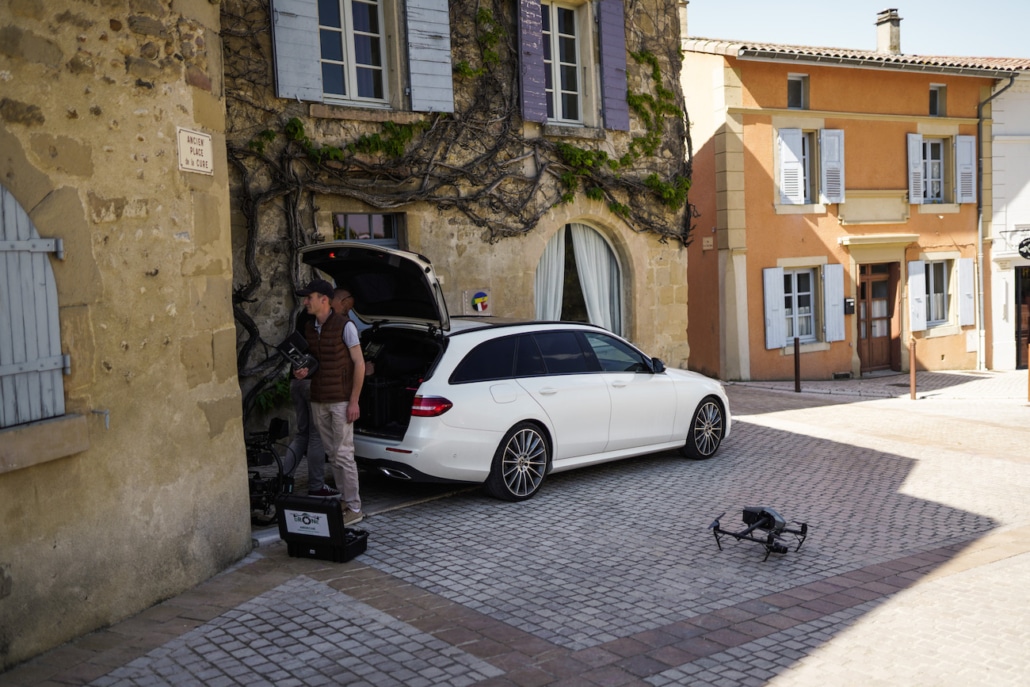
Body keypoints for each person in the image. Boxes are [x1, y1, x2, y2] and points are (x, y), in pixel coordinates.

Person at [294, 279, 366, 525]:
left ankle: (355, 507)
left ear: (324, 299)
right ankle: (344, 501)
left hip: (341, 401)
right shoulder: (309, 327)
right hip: (318, 399)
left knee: (344, 454)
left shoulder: (345, 326)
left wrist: (354, 401)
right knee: (333, 455)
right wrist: (303, 372)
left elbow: (359, 363)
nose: (305, 302)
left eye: (309, 297)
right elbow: (314, 362)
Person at [284, 309, 340, 498]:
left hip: (295, 380)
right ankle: (316, 486)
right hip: (311, 381)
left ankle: (285, 479)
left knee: (301, 434)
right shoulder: (321, 322)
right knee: (316, 435)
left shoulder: (301, 315)